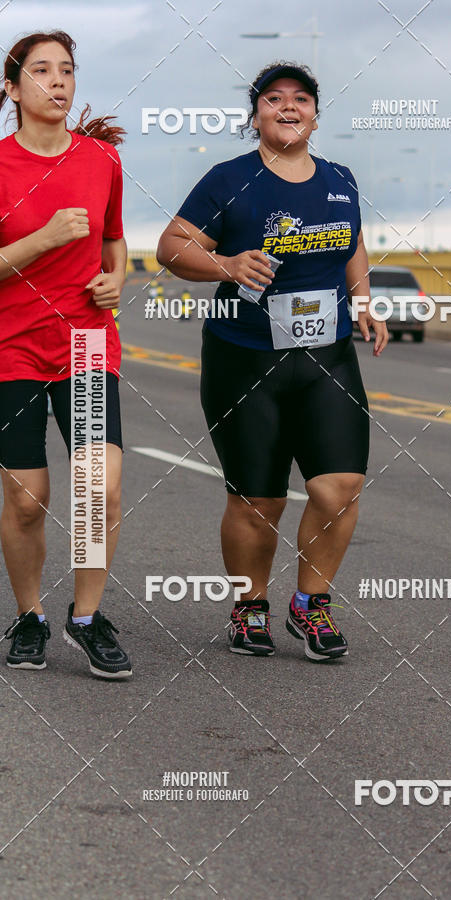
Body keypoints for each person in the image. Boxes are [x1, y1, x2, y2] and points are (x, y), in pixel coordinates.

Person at [157, 61, 387, 662]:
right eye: (274, 99)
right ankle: (248, 606)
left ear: (315, 112)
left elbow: (353, 241)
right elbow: (173, 246)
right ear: (255, 113)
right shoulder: (228, 178)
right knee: (259, 502)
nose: (289, 108)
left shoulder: (339, 178)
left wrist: (364, 300)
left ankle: (311, 606)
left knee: (340, 486)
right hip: (246, 358)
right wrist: (227, 265)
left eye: (301, 99)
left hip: (326, 357)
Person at [0, 30, 132, 678]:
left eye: (68, 70)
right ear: (12, 86)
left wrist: (118, 280)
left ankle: (86, 616)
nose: (58, 81)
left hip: (85, 342)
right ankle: (29, 616)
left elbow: (116, 242)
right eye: (42, 71)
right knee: (28, 501)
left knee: (97, 488)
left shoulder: (100, 160)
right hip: (11, 349)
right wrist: (45, 239)